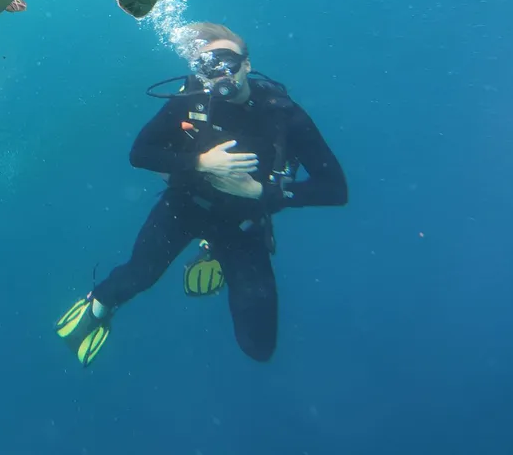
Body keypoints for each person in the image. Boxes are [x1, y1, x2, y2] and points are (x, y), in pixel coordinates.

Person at [55, 22, 347, 366]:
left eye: (228, 61)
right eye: (208, 65)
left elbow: (335, 190)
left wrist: (260, 192)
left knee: (258, 345)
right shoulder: (189, 101)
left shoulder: (283, 114)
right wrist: (200, 161)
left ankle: (213, 249)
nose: (220, 73)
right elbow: (140, 154)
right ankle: (98, 305)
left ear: (247, 65)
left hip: (243, 224)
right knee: (139, 276)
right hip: (186, 206)